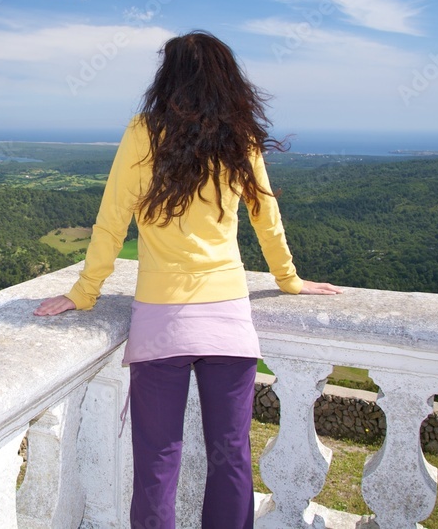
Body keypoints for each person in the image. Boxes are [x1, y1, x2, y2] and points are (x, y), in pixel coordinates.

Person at [34, 31, 341, 529]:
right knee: (233, 458)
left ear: (168, 77)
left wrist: (83, 293)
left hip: (161, 322)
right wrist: (289, 281)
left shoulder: (143, 132)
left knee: (157, 462)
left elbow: (112, 221)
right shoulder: (238, 136)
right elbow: (267, 218)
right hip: (228, 319)